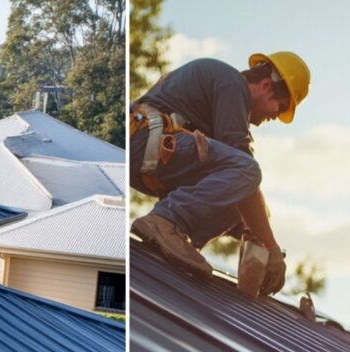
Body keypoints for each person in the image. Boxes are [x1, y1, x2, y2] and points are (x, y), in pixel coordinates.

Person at [128, 52, 310, 295]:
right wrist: (272, 247)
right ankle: (166, 222)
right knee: (246, 170)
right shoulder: (231, 83)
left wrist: (257, 245)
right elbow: (244, 171)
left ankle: (174, 236)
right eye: (281, 107)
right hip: (145, 143)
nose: (275, 116)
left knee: (237, 199)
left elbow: (238, 192)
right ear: (266, 86)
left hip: (153, 155)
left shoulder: (222, 94)